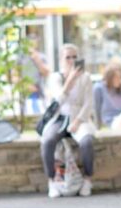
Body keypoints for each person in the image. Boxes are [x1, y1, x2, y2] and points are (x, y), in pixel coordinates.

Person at [42, 44, 96, 198]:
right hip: (59, 118)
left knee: (87, 142)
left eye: (74, 57)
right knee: (47, 141)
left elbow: (88, 104)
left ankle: (87, 179)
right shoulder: (55, 78)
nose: (72, 60)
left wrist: (78, 121)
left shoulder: (86, 78)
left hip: (79, 118)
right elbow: (58, 101)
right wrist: (69, 81)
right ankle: (52, 181)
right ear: (61, 60)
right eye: (68, 57)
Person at [21, 33, 50, 115]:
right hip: (24, 94)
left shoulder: (41, 57)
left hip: (39, 93)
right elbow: (14, 76)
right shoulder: (21, 57)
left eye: (35, 42)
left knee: (38, 114)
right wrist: (25, 85)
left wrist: (37, 59)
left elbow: (46, 73)